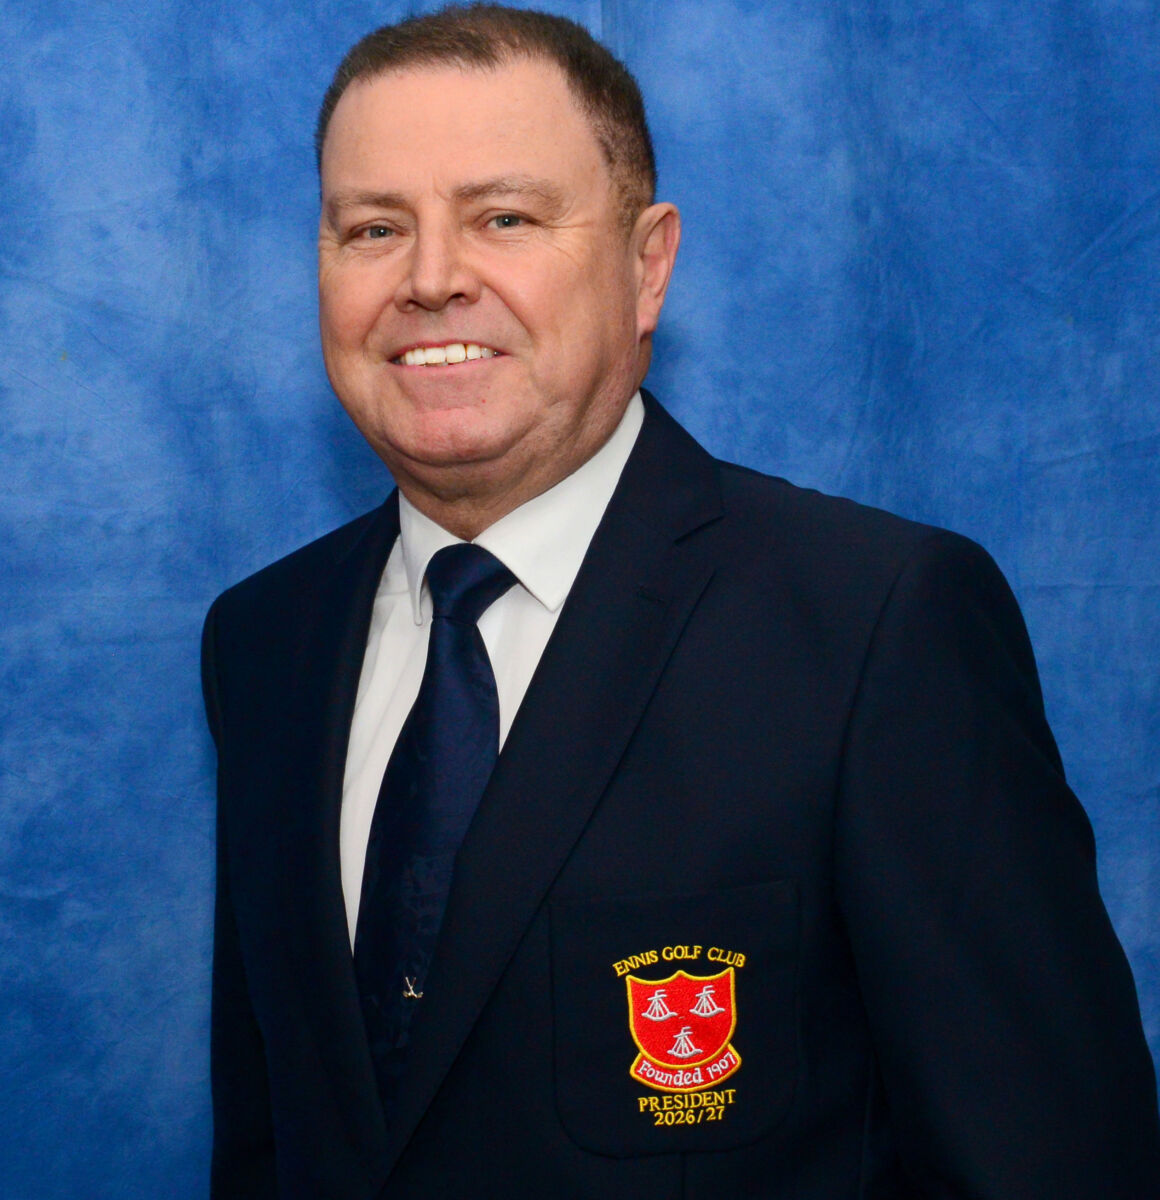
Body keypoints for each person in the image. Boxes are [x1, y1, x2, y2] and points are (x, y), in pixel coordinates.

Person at [201, 5, 1160, 1197]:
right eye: (373, 228)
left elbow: (1053, 1163)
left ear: (646, 265)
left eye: (504, 218)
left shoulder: (874, 626)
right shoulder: (265, 643)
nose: (431, 279)